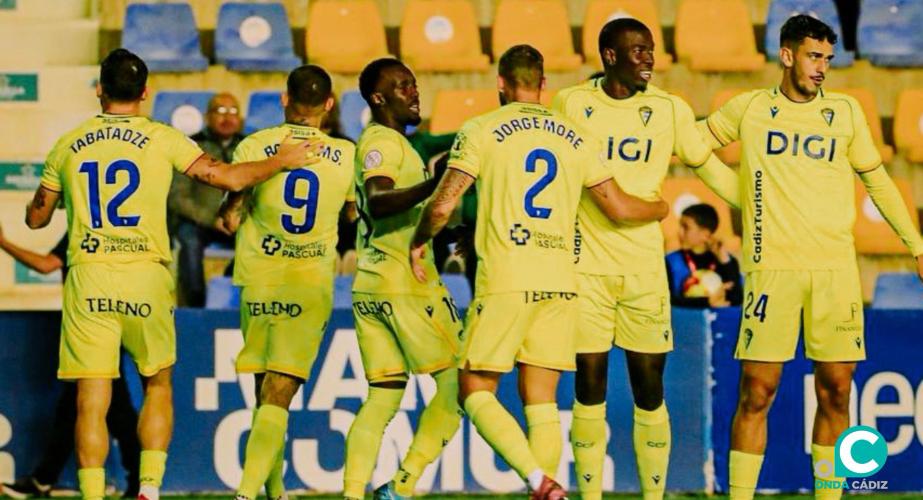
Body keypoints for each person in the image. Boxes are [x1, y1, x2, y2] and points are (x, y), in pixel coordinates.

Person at [23, 48, 321, 500]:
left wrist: (47, 200)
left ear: (99, 89)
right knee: (157, 382)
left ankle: (90, 494)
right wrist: (280, 161)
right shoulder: (163, 138)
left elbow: (37, 219)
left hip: (89, 277)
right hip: (145, 274)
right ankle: (149, 489)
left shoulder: (69, 143)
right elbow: (227, 179)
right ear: (145, 92)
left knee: (92, 396)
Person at [409, 44, 669, 500]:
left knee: (473, 388)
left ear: (502, 85)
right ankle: (547, 489)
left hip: (509, 276)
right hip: (562, 281)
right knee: (542, 400)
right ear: (545, 84)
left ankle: (538, 480)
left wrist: (417, 241)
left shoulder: (482, 128)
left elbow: (445, 203)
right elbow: (619, 207)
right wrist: (660, 206)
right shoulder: (575, 134)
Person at [697, 15, 923, 500]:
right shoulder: (751, 108)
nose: (822, 67)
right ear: (786, 55)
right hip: (771, 270)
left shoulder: (844, 113)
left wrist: (917, 244)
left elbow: (878, 181)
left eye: (827, 58)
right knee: (757, 392)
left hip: (834, 271)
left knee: (837, 391)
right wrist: (741, 195)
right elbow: (695, 147)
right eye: (813, 56)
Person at [551, 18, 740, 500]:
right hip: (585, 268)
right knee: (587, 388)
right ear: (610, 56)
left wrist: (754, 203)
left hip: (642, 270)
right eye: (637, 51)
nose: (648, 59)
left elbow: (705, 163)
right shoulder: (572, 104)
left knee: (648, 388)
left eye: (651, 50)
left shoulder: (669, 109)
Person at [217, 65, 357, 500]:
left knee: (264, 393)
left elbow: (229, 217)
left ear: (284, 99)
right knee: (278, 393)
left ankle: (273, 492)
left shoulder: (256, 146)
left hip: (258, 277)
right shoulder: (347, 156)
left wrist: (237, 209)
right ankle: (245, 492)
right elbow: (354, 215)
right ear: (329, 105)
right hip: (307, 282)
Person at [342, 57, 463, 500]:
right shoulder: (383, 143)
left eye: (414, 84)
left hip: (371, 284)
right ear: (378, 98)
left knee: (383, 396)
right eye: (402, 87)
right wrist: (434, 182)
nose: (414, 92)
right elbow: (377, 201)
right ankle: (401, 487)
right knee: (460, 384)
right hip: (404, 285)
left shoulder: (392, 144)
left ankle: (353, 494)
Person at [0, 229, 140, 499]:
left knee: (113, 407)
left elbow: (46, 265)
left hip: (92, 326)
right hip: (107, 323)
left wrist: (4, 242)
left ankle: (140, 482)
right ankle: (44, 478)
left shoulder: (86, 223)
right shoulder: (112, 225)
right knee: (76, 406)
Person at [168, 92, 245, 307]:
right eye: (220, 111)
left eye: (233, 112)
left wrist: (237, 217)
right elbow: (177, 196)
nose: (227, 118)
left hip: (240, 221)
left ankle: (236, 296)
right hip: (201, 221)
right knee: (188, 239)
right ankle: (195, 307)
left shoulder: (250, 146)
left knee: (261, 238)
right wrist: (211, 219)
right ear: (207, 116)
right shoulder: (192, 147)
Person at [665, 203, 743, 308]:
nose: (679, 232)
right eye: (680, 226)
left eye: (686, 227)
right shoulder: (670, 261)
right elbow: (668, 301)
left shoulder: (727, 262)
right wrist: (706, 302)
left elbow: (737, 300)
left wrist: (725, 262)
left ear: (705, 234)